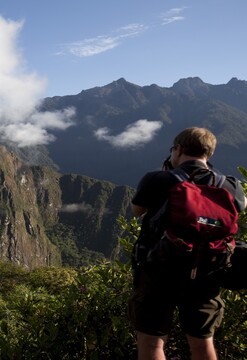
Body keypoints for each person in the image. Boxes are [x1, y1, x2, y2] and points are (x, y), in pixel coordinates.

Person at [128, 127, 247, 360]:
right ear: (208, 154)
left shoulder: (158, 179)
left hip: (160, 271)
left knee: (152, 344)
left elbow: (137, 211)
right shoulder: (230, 186)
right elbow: (239, 210)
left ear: (179, 149)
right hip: (207, 273)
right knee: (203, 345)